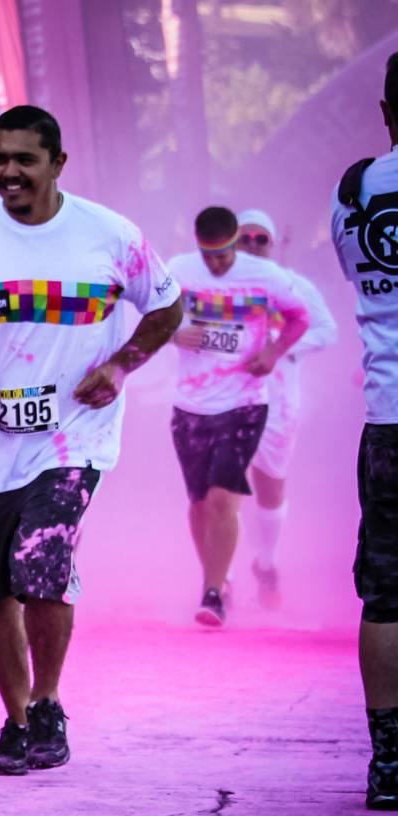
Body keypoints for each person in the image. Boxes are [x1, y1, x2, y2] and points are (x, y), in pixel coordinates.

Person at [0, 106, 184, 775]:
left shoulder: (109, 236)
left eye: (25, 160)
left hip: (74, 438)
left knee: (40, 563)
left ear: (58, 163)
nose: (9, 172)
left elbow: (168, 305)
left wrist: (120, 365)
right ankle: (15, 720)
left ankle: (47, 702)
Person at [166, 206, 309, 626]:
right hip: (191, 403)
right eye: (207, 255)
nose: (215, 264)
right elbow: (151, 312)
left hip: (245, 400)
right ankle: (219, 578)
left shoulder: (265, 277)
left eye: (223, 255)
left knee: (222, 497)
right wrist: (175, 333)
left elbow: (302, 318)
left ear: (234, 244)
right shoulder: (179, 270)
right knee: (197, 503)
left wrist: (273, 352)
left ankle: (212, 595)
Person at [330, 51, 398, 810]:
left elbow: (360, 279)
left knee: (386, 596)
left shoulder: (353, 190)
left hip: (389, 420)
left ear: (386, 113)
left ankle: (388, 764)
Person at [233, 209, 339, 609]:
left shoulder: (295, 285)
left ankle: (267, 563)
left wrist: (282, 350)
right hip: (227, 397)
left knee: (270, 485)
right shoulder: (218, 286)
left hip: (279, 400)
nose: (253, 246)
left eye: (261, 239)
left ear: (272, 245)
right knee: (222, 486)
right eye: (246, 238)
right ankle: (220, 579)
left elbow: (327, 329)